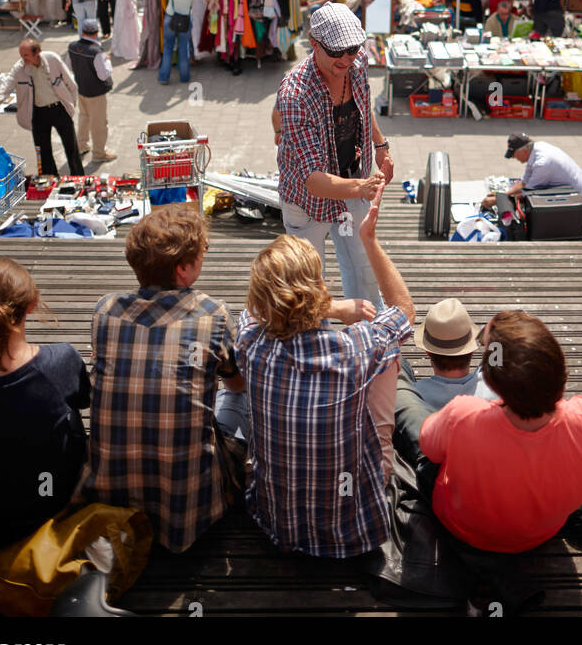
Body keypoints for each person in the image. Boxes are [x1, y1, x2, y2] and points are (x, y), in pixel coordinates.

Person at [234, 183, 415, 558]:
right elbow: (404, 314)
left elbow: (255, 312)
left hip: (276, 524)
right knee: (390, 356)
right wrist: (369, 240)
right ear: (319, 287)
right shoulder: (353, 347)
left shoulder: (250, 339)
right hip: (351, 527)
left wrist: (330, 308)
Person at [76, 205, 246, 552]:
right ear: (183, 269)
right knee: (238, 397)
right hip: (186, 511)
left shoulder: (105, 311)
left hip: (112, 498)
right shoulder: (213, 315)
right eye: (203, 252)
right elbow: (237, 382)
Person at [401, 310, 582, 553]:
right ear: (560, 368)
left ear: (492, 382)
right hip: (542, 532)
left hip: (463, 528)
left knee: (403, 394)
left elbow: (428, 446)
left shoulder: (462, 415)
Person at [0, 257, 90, 562]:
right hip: (49, 501)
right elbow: (85, 400)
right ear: (32, 304)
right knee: (69, 409)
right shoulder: (62, 360)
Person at [276, 2, 394, 306]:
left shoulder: (358, 60)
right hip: (306, 199)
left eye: (352, 49)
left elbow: (363, 105)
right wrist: (362, 187)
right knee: (309, 282)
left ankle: (370, 331)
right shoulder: (294, 95)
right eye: (337, 52)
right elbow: (313, 181)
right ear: (314, 45)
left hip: (352, 179)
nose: (346, 59)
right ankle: (317, 340)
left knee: (363, 265)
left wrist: (380, 146)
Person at [0, 37, 84, 176]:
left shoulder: (52, 59)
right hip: (38, 113)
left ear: (37, 53)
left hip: (60, 109)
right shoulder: (20, 68)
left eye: (26, 55)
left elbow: (71, 84)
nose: (23, 59)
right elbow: (6, 86)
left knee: (72, 148)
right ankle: (49, 180)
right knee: (43, 152)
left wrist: (71, 105)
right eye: (21, 55)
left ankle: (79, 179)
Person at [397, 299, 495, 413]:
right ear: (472, 350)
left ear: (427, 352)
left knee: (401, 364)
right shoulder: (495, 388)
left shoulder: (415, 395)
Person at [481, 133, 582, 210]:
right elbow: (524, 183)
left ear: (523, 151)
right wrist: (502, 195)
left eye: (514, 155)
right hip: (576, 188)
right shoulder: (537, 148)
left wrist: (498, 201)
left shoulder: (542, 163)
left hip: (581, 197)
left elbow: (527, 194)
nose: (514, 158)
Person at [68, 17, 116, 164]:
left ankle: (81, 146)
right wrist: (107, 61)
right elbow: (103, 75)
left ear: (82, 31)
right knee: (99, 124)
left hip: (81, 88)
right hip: (96, 93)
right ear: (96, 33)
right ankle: (99, 153)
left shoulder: (72, 46)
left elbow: (69, 67)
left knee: (84, 118)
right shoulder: (96, 51)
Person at [159, 0, 205, 85]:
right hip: (184, 20)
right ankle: (184, 77)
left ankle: (164, 77)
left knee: (168, 48)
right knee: (183, 49)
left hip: (170, 18)